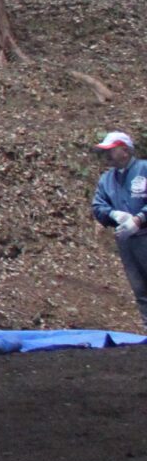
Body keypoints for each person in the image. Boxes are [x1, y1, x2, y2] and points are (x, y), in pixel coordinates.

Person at [91, 130, 147, 329]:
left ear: (125, 150)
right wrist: (114, 214)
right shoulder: (107, 179)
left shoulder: (144, 169)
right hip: (126, 240)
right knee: (140, 289)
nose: (107, 155)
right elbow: (97, 206)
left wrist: (140, 219)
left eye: (112, 150)